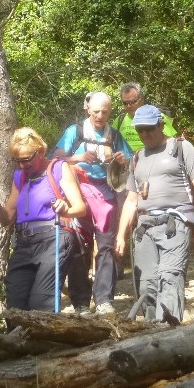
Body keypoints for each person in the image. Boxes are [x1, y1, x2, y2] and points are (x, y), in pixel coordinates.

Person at [115, 105, 194, 323]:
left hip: (175, 223)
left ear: (161, 125)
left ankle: (168, 332)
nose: (144, 134)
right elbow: (131, 201)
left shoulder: (180, 147)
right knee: (146, 283)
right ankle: (150, 332)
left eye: (149, 129)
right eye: (140, 130)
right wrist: (121, 236)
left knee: (170, 276)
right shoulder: (136, 158)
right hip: (144, 228)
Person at [0, 128, 89, 313]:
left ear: (40, 151)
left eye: (26, 159)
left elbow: (81, 208)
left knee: (41, 302)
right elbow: (6, 218)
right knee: (15, 302)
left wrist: (66, 209)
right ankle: (18, 340)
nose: (22, 165)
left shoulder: (58, 168)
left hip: (54, 237)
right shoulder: (19, 177)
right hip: (24, 243)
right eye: (18, 161)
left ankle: (45, 340)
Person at [53, 92, 132, 314]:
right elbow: (55, 159)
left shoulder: (114, 135)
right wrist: (78, 158)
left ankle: (104, 298)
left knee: (105, 246)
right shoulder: (74, 132)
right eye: (96, 111)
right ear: (88, 109)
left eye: (105, 112)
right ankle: (80, 302)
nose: (100, 116)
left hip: (106, 192)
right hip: (78, 192)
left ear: (110, 112)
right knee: (79, 246)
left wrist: (121, 159)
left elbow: (128, 159)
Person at [112, 82, 177, 152]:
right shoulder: (120, 120)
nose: (129, 106)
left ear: (142, 99)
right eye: (125, 103)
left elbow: (169, 142)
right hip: (126, 161)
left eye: (132, 102)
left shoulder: (156, 116)